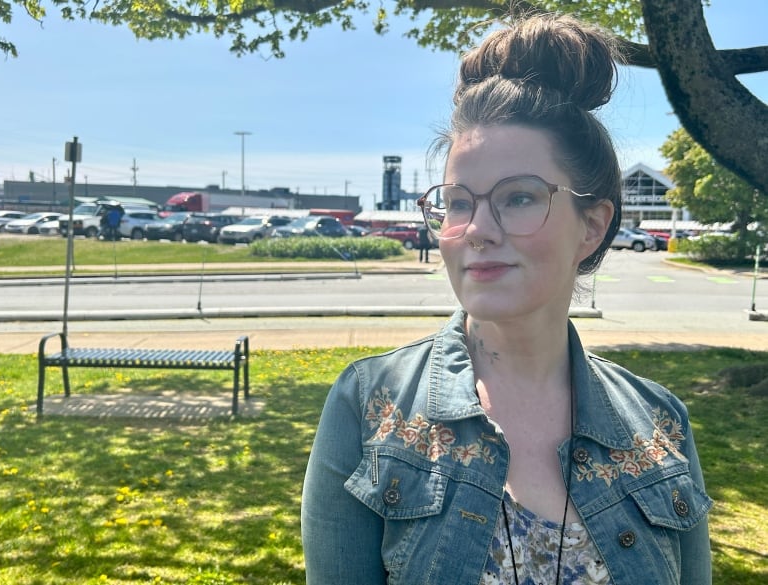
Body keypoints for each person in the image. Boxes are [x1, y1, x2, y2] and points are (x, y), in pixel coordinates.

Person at [301, 13, 712, 585]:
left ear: (592, 226)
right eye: (458, 202)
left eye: (518, 197)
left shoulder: (661, 423)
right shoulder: (369, 407)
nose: (476, 230)